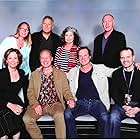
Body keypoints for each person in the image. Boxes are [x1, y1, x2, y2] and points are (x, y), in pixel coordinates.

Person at [23, 48, 75, 139]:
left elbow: (66, 90)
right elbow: (30, 92)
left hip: (55, 104)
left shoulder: (61, 74)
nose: (45, 60)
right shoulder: (34, 74)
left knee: (59, 115)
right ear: (39, 60)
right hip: (39, 104)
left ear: (52, 59)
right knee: (27, 119)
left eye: (47, 58)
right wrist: (35, 104)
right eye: (42, 58)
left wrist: (70, 99)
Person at [64, 46, 115, 138]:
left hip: (97, 103)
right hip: (80, 102)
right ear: (78, 58)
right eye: (80, 56)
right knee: (67, 114)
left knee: (105, 118)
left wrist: (133, 65)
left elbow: (116, 72)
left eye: (85, 55)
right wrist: (44, 68)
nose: (83, 58)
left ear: (90, 57)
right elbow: (59, 75)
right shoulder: (73, 71)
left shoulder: (100, 68)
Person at [110, 47, 140, 138]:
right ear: (120, 59)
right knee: (113, 117)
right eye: (122, 58)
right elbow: (114, 93)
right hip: (121, 105)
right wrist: (125, 106)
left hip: (138, 105)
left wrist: (138, 108)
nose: (125, 60)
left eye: (128, 57)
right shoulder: (116, 74)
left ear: (133, 58)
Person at [0, 48, 28, 139]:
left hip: (15, 102)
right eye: (10, 58)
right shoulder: (1, 73)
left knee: (18, 117)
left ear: (19, 60)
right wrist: (10, 105)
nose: (13, 61)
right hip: (2, 103)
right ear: (6, 60)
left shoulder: (21, 73)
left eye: (15, 58)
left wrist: (24, 106)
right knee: (5, 130)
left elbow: (26, 92)